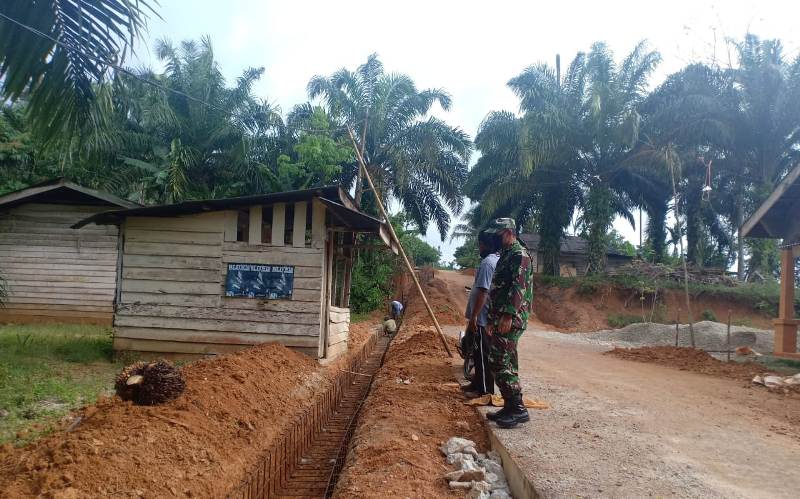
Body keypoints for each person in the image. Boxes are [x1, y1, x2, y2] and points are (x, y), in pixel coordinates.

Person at [483, 218, 534, 429]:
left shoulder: (519, 255)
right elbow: (498, 289)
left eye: (498, 234)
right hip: (500, 316)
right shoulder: (506, 254)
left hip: (511, 318)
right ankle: (510, 406)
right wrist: (492, 319)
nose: (494, 238)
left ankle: (518, 409)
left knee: (498, 360)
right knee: (508, 362)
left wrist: (508, 315)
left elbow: (518, 287)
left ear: (509, 232)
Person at [461, 230, 500, 397]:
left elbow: (483, 292)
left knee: (482, 354)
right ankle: (477, 383)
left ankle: (484, 390)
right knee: (477, 353)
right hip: (484, 316)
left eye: (480, 245)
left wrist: (474, 317)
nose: (479, 248)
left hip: (482, 318)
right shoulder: (494, 260)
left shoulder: (487, 263)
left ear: (484, 245)